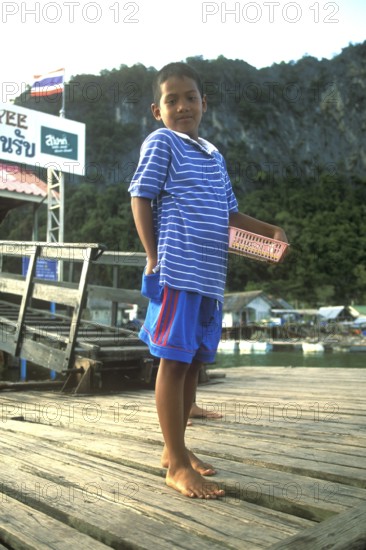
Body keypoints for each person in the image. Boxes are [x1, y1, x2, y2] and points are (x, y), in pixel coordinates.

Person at [128, 62, 288, 499]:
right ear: (156, 110)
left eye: (190, 97)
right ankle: (176, 463)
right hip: (178, 270)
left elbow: (229, 214)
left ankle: (174, 449)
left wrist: (268, 230)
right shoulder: (162, 142)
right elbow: (140, 196)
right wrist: (153, 255)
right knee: (174, 361)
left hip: (210, 277)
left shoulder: (214, 156)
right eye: (171, 99)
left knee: (194, 361)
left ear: (204, 103)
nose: (182, 106)